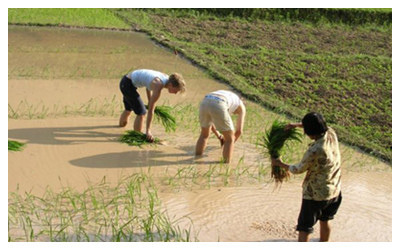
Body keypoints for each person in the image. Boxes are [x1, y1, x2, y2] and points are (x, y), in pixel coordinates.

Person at [271, 112, 342, 242]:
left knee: (305, 227)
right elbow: (317, 126)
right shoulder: (331, 133)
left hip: (316, 195)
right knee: (325, 220)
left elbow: (297, 169)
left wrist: (279, 163)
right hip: (335, 191)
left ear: (310, 132)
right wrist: (295, 125)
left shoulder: (316, 150)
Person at [119, 69, 186, 142]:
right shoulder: (159, 85)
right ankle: (137, 136)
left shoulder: (166, 78)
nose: (175, 93)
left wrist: (150, 100)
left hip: (126, 81)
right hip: (127, 85)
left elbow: (149, 86)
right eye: (176, 90)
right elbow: (151, 111)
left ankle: (120, 128)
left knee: (128, 109)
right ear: (171, 85)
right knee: (142, 113)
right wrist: (148, 131)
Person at [195, 90, 246, 163]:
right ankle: (226, 166)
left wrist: (219, 136)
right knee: (230, 139)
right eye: (236, 113)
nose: (234, 114)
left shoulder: (229, 98)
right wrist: (229, 143)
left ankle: (197, 157)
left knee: (204, 135)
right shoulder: (241, 106)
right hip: (220, 102)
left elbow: (211, 124)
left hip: (205, 100)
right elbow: (239, 131)